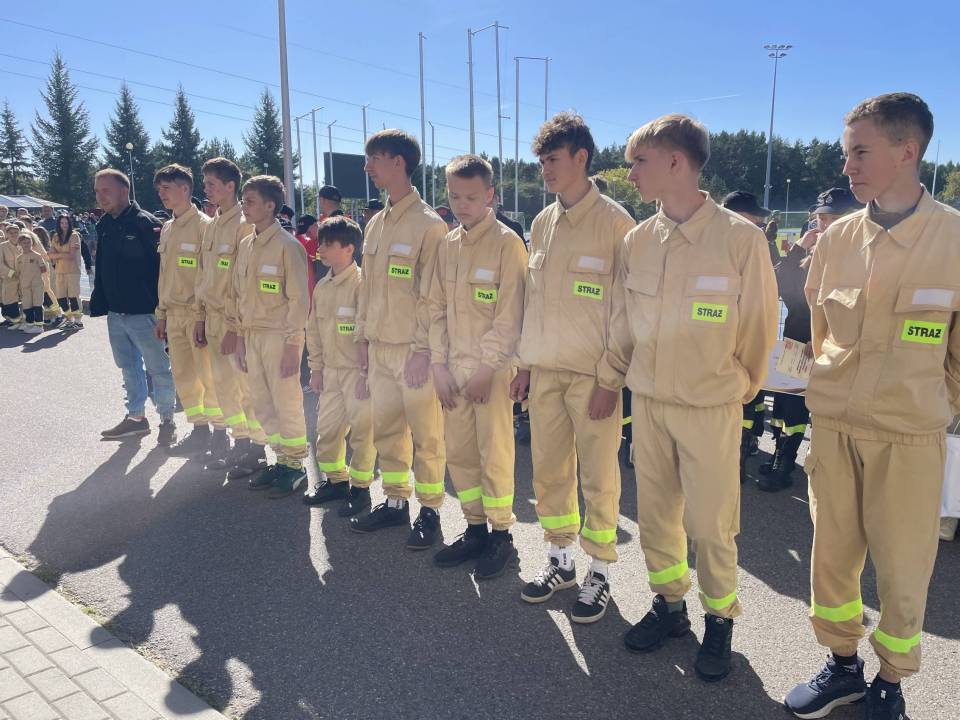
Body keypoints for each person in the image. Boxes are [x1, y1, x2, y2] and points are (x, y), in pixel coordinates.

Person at [785, 93, 960, 720]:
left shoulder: (954, 239)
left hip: (908, 436)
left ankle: (891, 682)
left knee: (904, 569)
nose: (847, 166)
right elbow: (819, 331)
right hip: (835, 428)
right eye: (847, 152)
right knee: (831, 560)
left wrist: (926, 403)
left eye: (860, 151)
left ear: (907, 151)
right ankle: (842, 665)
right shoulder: (836, 241)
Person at [613, 113, 778, 680]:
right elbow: (625, 323)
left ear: (676, 162)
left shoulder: (740, 239)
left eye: (640, 161)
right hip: (650, 404)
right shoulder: (638, 241)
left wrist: (736, 386)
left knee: (711, 525)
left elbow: (758, 329)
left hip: (710, 407)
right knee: (656, 517)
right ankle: (670, 606)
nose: (632, 173)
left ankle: (719, 619)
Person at [511, 112, 635, 623]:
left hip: (593, 378)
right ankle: (560, 561)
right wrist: (523, 365)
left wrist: (611, 378)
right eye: (541, 161)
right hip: (545, 373)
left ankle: (599, 571)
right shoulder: (542, 223)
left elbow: (626, 311)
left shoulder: (617, 224)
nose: (545, 170)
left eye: (553, 160)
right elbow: (533, 302)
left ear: (581, 158)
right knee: (549, 472)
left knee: (599, 476)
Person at [428, 155, 527, 579]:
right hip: (453, 369)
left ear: (490, 195)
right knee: (461, 453)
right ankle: (474, 528)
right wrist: (437, 366)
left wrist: (488, 369)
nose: (461, 205)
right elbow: (434, 309)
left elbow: (510, 315)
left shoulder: (507, 244)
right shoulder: (447, 245)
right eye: (454, 197)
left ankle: (501, 535)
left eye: (471, 197)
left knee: (495, 452)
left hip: (493, 372)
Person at [349, 128, 448, 548]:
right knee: (387, 429)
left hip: (412, 350)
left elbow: (433, 296)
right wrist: (362, 338)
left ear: (399, 163)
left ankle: (431, 511)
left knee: (426, 435)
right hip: (379, 346)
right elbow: (367, 288)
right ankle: (394, 501)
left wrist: (424, 351)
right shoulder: (375, 224)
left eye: (375, 158)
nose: (367, 166)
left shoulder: (429, 225)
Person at [756, 188, 859, 492]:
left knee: (825, 410)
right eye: (821, 219)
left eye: (833, 218)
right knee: (788, 404)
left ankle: (813, 467)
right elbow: (782, 287)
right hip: (798, 340)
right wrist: (800, 247)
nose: (825, 225)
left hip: (835, 347)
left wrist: (824, 337)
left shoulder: (860, 255)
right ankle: (783, 460)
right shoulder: (811, 253)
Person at [234, 175, 310, 499]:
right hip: (252, 336)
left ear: (270, 205)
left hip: (279, 337)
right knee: (262, 403)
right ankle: (280, 459)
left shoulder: (288, 247)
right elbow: (239, 296)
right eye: (243, 200)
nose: (244, 206)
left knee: (286, 402)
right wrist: (240, 338)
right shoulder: (246, 245)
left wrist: (294, 345)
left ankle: (295, 466)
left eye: (250, 201)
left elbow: (299, 301)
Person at [91, 168, 176, 444]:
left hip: (145, 314)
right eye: (97, 191)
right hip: (116, 314)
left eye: (106, 190)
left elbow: (162, 272)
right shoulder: (104, 224)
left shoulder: (147, 224)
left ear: (124, 190)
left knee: (158, 368)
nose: (100, 196)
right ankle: (136, 418)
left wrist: (162, 313)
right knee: (128, 368)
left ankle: (167, 420)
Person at [198, 156, 268, 478]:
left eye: (212, 184)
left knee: (246, 387)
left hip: (233, 322)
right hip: (212, 319)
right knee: (223, 386)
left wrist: (234, 328)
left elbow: (245, 282)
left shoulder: (244, 225)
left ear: (230, 186)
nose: (207, 189)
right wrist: (200, 317)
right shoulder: (212, 225)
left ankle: (257, 449)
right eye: (205, 184)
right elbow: (203, 275)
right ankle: (239, 442)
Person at [302, 216, 377, 516]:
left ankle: (360, 489)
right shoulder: (323, 286)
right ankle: (336, 481)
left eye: (328, 244)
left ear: (349, 249)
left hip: (357, 374)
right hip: (331, 373)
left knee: (362, 434)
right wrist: (316, 369)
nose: (321, 249)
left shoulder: (362, 285)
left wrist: (366, 374)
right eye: (320, 243)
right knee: (327, 431)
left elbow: (368, 331)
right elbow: (314, 330)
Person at [152, 164, 226, 457]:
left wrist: (201, 317)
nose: (162, 194)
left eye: (167, 188)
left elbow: (209, 276)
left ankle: (220, 434)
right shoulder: (168, 228)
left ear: (185, 189)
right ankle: (199, 430)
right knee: (184, 377)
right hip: (173, 315)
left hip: (197, 315)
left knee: (208, 376)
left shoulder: (205, 227)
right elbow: (164, 275)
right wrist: (161, 314)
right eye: (160, 189)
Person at [720, 191, 774, 481]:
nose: (759, 225)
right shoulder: (713, 246)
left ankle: (740, 457)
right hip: (722, 365)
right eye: (755, 219)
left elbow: (762, 312)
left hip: (742, 363)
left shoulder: (753, 243)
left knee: (750, 408)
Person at [47, 214, 84, 329]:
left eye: (66, 223)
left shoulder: (74, 236)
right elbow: (50, 255)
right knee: (60, 297)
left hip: (73, 271)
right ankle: (69, 318)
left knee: (73, 296)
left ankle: (78, 321)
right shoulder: (55, 236)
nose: (64, 225)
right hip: (59, 270)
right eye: (62, 223)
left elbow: (71, 256)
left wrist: (57, 255)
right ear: (58, 224)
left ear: (70, 223)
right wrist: (62, 254)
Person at [14, 230, 46, 334]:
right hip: (25, 286)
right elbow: (17, 272)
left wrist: (35, 274)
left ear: (32, 243)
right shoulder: (19, 258)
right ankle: (30, 324)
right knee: (27, 305)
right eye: (24, 243)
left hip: (37, 285)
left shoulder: (37, 255)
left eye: (29, 242)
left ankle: (39, 326)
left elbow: (44, 269)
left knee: (37, 304)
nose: (27, 245)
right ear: (20, 244)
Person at [0, 225, 23, 328]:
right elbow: (0, 264)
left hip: (24, 277)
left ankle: (27, 321)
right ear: (7, 234)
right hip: (9, 278)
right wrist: (11, 273)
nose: (14, 235)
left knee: (26, 299)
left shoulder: (25, 244)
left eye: (16, 232)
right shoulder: (2, 246)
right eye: (11, 233)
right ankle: (13, 320)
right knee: (9, 299)